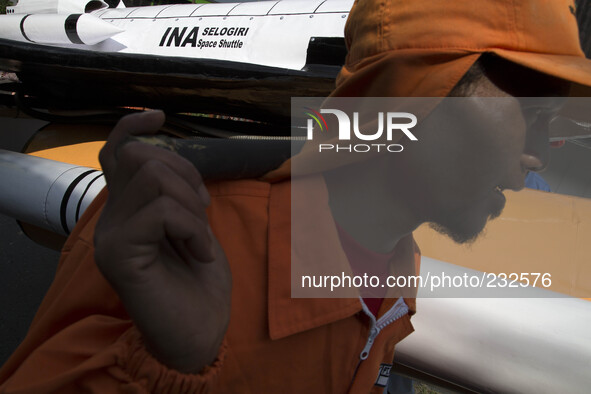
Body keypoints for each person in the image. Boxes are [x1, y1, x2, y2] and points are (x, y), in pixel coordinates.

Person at [1, 0, 591, 392]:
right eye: (533, 108)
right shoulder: (181, 226)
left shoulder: (397, 263)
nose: (541, 151)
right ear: (411, 98)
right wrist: (166, 366)